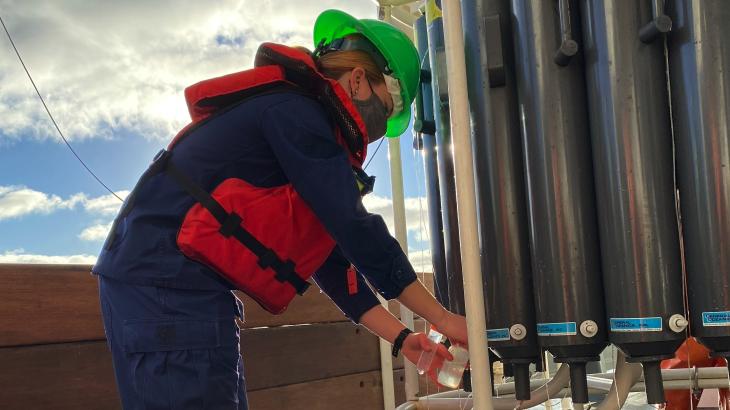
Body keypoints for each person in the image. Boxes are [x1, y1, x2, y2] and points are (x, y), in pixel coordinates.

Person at [93, 9, 468, 409]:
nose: (384, 123)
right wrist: (443, 318)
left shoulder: (299, 120)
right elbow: (354, 227)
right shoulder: (294, 112)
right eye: (391, 106)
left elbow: (332, 260)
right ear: (359, 79)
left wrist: (401, 339)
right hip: (165, 292)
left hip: (178, 292)